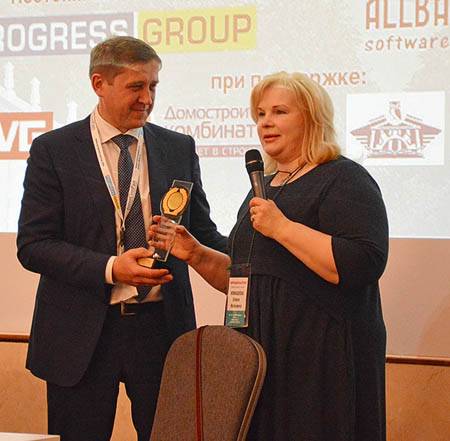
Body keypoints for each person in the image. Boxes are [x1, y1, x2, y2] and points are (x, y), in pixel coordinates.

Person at [151, 71, 389, 441]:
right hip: (260, 355)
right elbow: (245, 277)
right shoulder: (264, 187)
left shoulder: (343, 178)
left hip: (319, 359)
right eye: (260, 114)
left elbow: (361, 263)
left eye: (279, 112)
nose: (265, 122)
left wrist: (283, 228)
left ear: (312, 118)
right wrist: (195, 254)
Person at [16, 36, 226, 441]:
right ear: (99, 83)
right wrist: (112, 268)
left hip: (162, 330)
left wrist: (252, 256)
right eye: (136, 87)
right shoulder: (54, 151)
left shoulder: (177, 147)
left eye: (153, 86)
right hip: (81, 334)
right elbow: (34, 245)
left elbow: (201, 232)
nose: (147, 99)